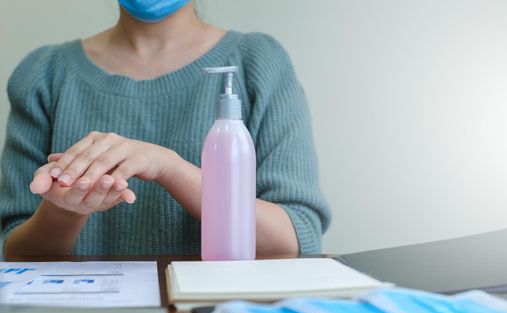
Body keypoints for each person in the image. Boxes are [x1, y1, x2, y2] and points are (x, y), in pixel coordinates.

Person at [0, 0, 331, 258]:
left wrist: (167, 166)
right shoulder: (44, 74)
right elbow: (13, 250)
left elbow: (295, 237)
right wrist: (68, 208)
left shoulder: (259, 63)